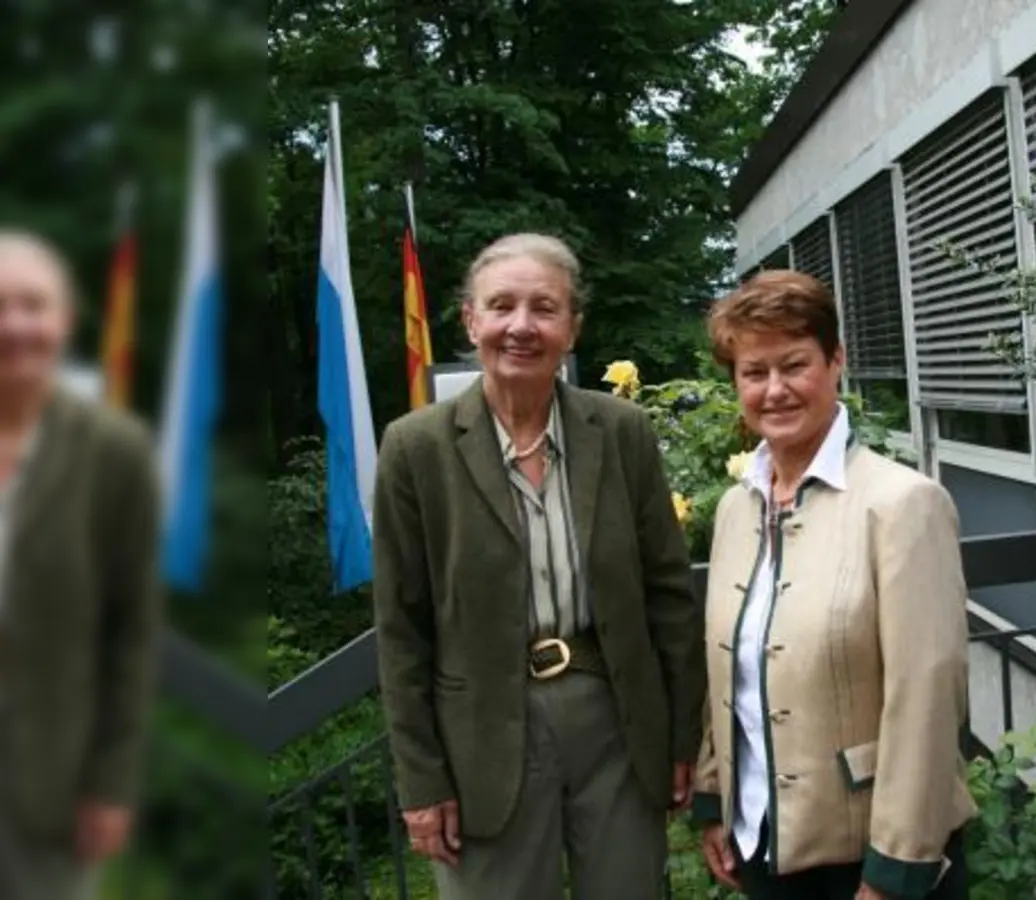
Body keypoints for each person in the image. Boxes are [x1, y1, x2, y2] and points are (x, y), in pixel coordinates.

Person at [372, 232, 705, 899]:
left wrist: (680, 737)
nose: (521, 325)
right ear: (471, 320)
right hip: (482, 737)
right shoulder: (416, 449)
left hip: (615, 722)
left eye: (544, 308)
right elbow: (401, 629)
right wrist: (422, 781)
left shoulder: (622, 432)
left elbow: (668, 594)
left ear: (572, 327)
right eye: (502, 306)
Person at [691, 270, 976, 899]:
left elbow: (926, 698)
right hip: (763, 846)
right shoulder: (737, 510)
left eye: (794, 364)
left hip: (869, 860)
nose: (774, 390)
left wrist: (895, 871)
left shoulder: (902, 504)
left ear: (836, 361)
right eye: (753, 372)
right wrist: (715, 796)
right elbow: (728, 668)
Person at [0, 230, 164, 900]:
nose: (14, 324)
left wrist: (113, 783)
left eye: (32, 305)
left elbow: (132, 631)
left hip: (54, 782)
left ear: (63, 321)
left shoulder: (114, 452)